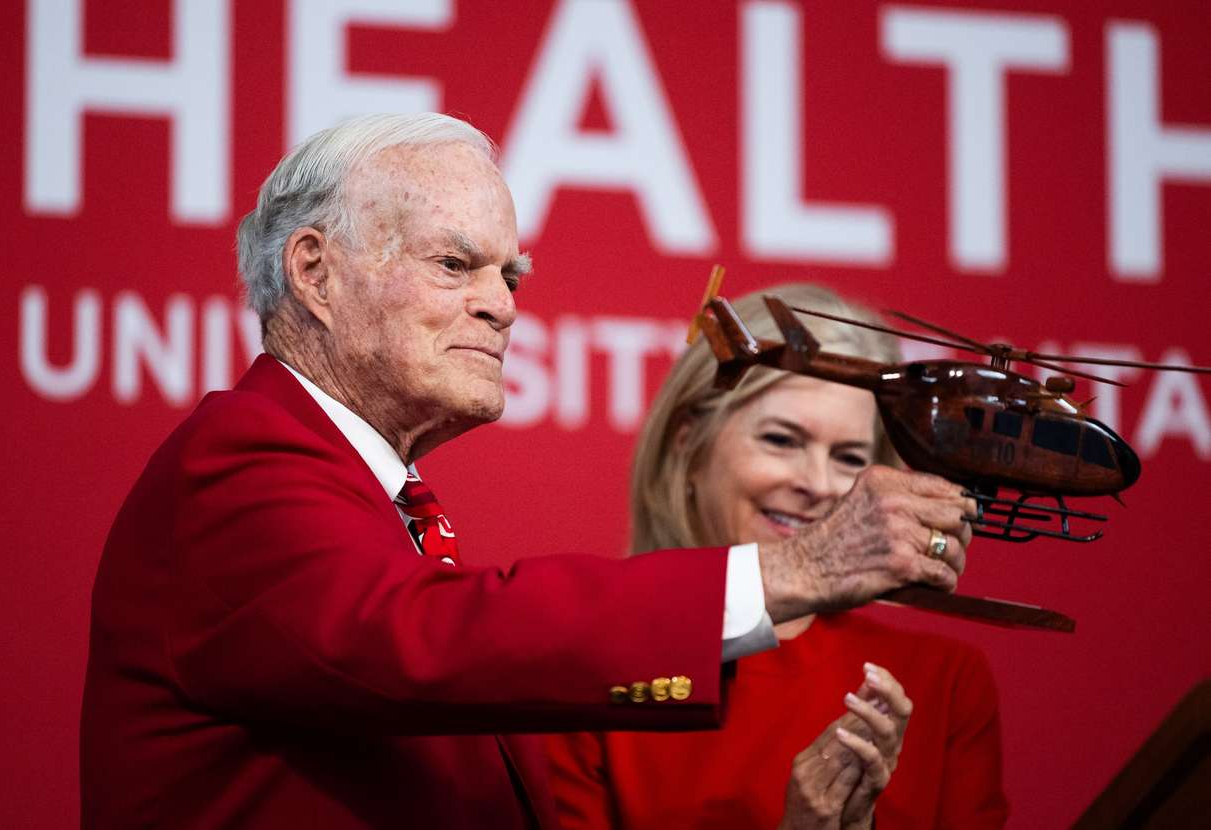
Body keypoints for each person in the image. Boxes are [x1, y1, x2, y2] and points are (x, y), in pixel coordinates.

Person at [80, 114, 975, 828]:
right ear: (315, 272)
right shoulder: (239, 460)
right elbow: (421, 644)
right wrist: (796, 571)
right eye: (455, 264)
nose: (503, 306)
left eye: (511, 274)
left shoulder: (378, 504)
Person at [547, 284, 1009, 828]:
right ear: (687, 444)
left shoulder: (943, 684)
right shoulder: (588, 660)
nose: (817, 484)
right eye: (783, 441)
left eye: (849, 457)